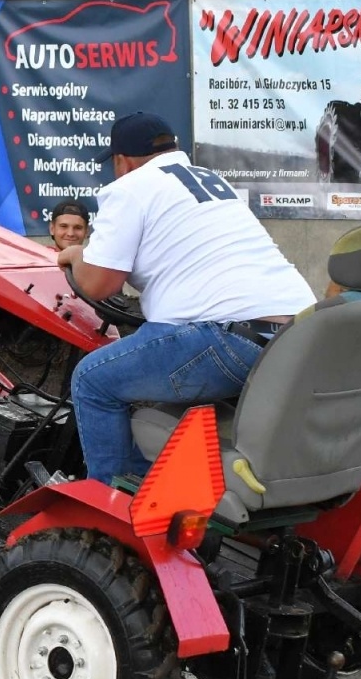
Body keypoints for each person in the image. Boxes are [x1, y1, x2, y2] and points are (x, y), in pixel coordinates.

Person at [57, 112, 316, 484]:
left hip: (226, 338)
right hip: (295, 340)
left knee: (91, 380)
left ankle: (115, 500)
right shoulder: (211, 181)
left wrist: (76, 255)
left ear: (122, 161)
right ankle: (175, 484)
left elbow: (98, 285)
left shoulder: (130, 187)